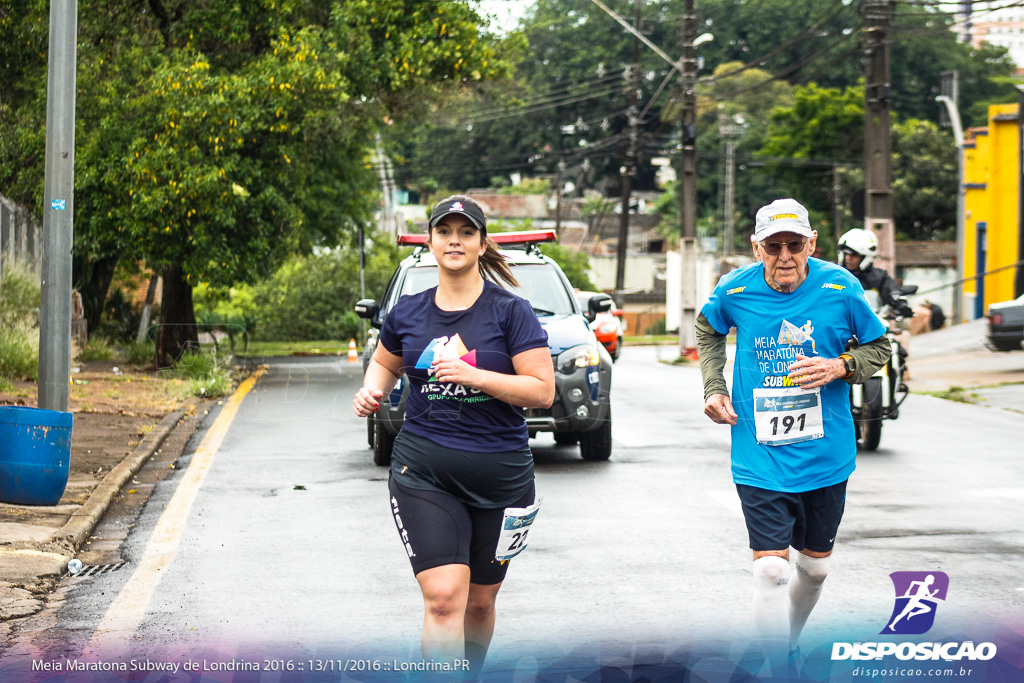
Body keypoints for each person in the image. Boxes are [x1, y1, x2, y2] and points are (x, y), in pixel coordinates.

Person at [352, 195, 555, 676]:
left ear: (482, 244)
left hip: (501, 480)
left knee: (479, 606)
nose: (455, 241)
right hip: (423, 472)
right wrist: (371, 390)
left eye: (466, 233)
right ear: (431, 242)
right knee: (444, 599)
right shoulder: (409, 311)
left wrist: (476, 376)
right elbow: (385, 360)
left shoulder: (511, 312)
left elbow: (542, 391)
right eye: (445, 232)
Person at [696, 199, 892, 661]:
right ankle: (777, 663)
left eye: (794, 244)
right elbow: (707, 331)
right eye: (773, 246)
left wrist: (840, 365)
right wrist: (713, 385)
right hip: (758, 451)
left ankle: (790, 639)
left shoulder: (840, 286)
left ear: (812, 244)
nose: (784, 256)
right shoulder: (734, 290)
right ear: (756, 246)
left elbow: (879, 345)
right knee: (768, 573)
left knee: (814, 571)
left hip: (827, 452)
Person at [837, 228, 915, 318]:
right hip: (839, 323)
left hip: (870, 323)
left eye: (854, 255)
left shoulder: (879, 277)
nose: (848, 258)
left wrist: (901, 305)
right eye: (846, 254)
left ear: (866, 257)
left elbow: (892, 290)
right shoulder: (833, 274)